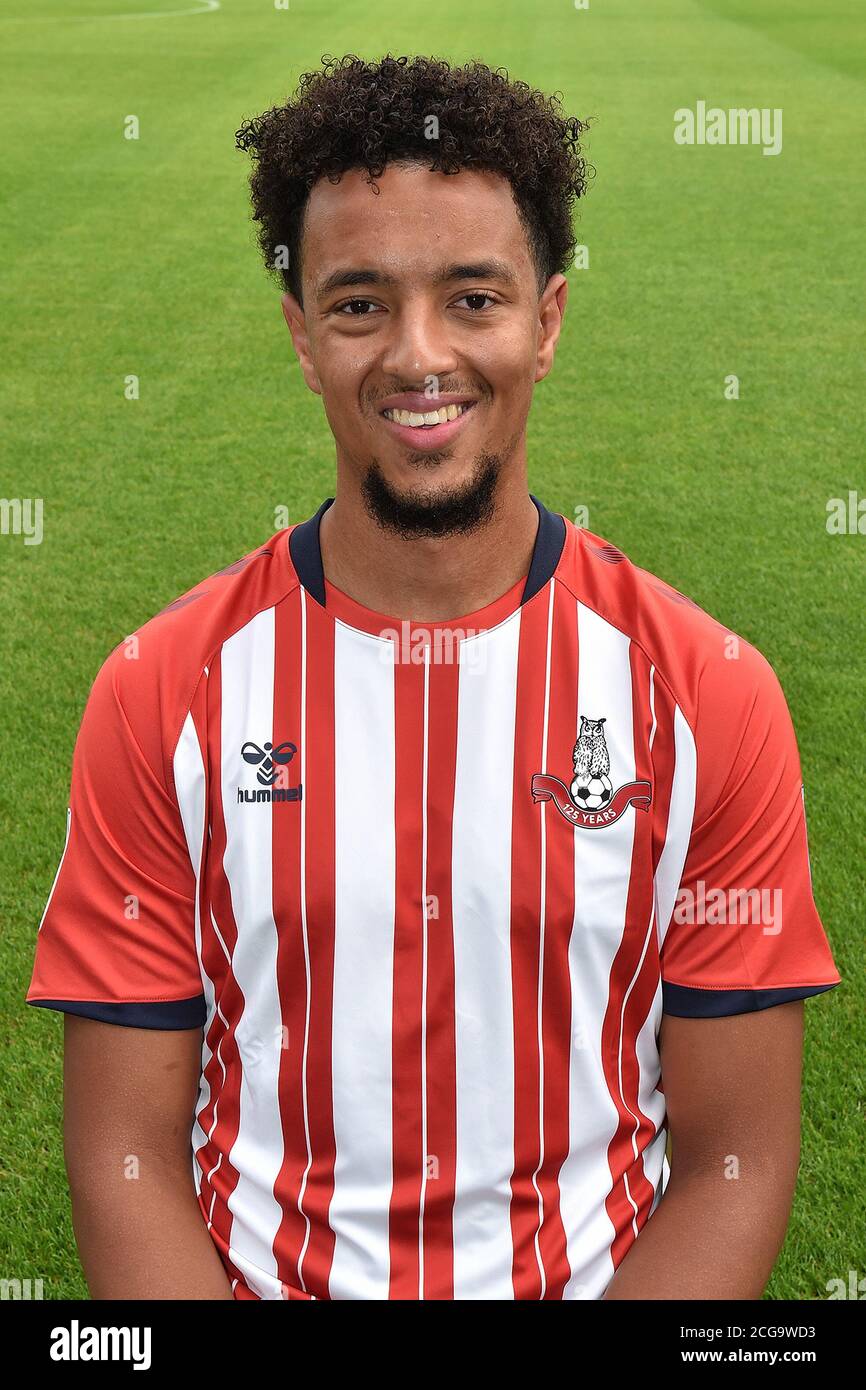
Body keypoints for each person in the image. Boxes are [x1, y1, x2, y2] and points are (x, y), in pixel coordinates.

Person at [27, 54, 840, 1301]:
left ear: (547, 321)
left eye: (471, 299)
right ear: (301, 335)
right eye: (358, 305)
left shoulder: (706, 692)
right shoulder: (162, 689)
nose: (418, 359)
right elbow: (121, 1152)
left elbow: (735, 1153)